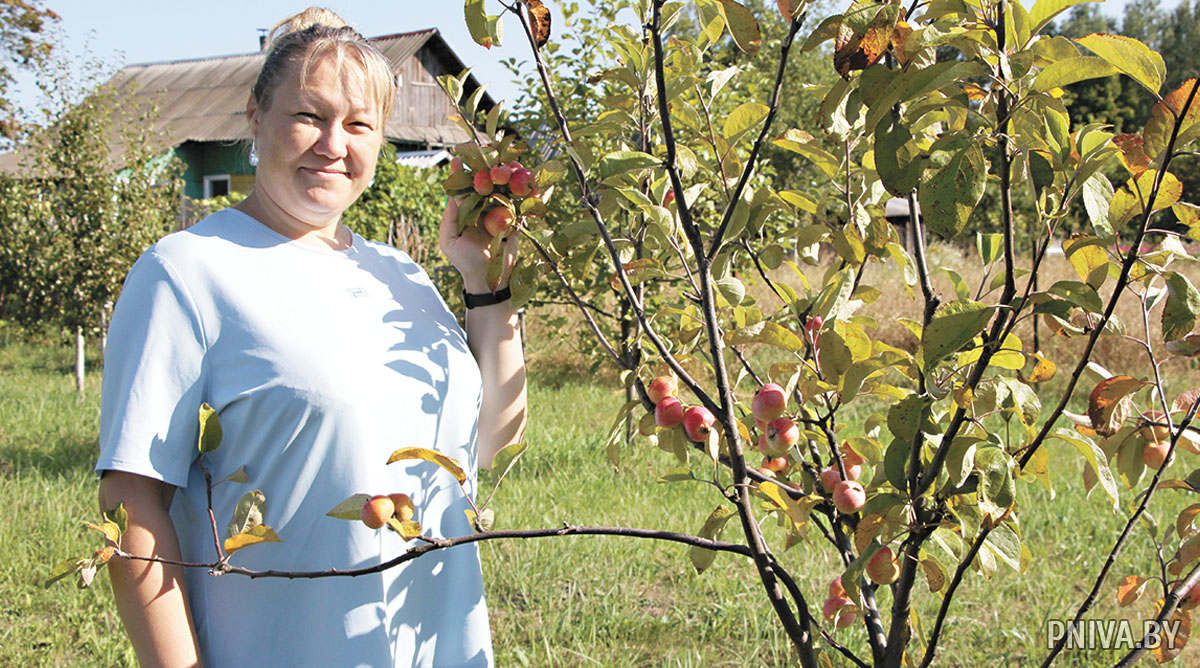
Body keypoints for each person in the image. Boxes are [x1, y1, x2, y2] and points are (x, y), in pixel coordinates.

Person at [95, 8, 525, 667]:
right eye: (308, 116)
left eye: (359, 124)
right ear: (255, 119)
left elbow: (490, 443)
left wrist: (485, 282)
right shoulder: (188, 271)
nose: (333, 143)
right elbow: (132, 500)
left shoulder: (401, 274)